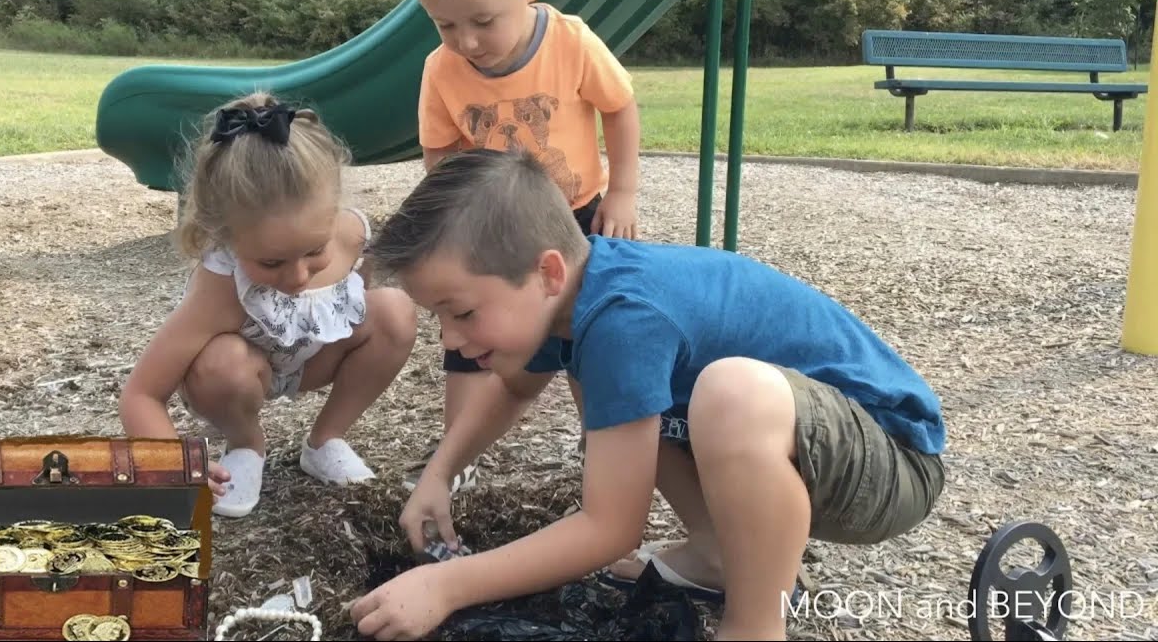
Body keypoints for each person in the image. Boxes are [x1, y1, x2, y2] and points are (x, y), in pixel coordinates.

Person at [349, 149, 947, 640]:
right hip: (820, 450)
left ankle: (756, 626)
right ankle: (718, 556)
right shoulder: (579, 298)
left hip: (888, 463)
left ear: (548, 272)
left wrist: (446, 585)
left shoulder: (622, 317)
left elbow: (611, 529)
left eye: (462, 312)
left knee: (727, 393)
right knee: (612, 391)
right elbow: (513, 388)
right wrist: (440, 472)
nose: (451, 339)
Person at [398, 0, 643, 491]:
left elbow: (621, 106)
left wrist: (625, 191)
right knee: (464, 334)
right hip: (489, 229)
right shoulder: (441, 69)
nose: (466, 41)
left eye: (482, 20)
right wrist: (455, 229)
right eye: (445, 24)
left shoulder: (571, 41)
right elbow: (441, 154)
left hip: (575, 214)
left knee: (588, 331)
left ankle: (599, 445)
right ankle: (457, 454)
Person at [117, 92, 418, 518]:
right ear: (225, 236)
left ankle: (324, 441)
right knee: (223, 363)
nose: (297, 277)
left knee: (394, 312)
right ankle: (245, 443)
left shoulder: (352, 237)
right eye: (271, 262)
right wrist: (174, 466)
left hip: (308, 361)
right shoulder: (220, 285)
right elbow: (141, 394)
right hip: (235, 378)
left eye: (315, 251)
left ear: (333, 213)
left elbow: (353, 307)